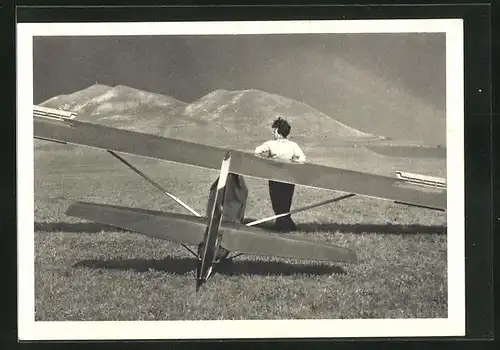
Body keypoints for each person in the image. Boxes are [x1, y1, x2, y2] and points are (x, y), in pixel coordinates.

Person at [254, 117, 306, 232]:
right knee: (286, 202)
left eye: (274, 131)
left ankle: (283, 225)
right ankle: (286, 223)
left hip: (275, 177)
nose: (273, 133)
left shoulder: (270, 144)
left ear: (278, 132)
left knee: (277, 202)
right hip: (289, 177)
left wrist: (267, 160)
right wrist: (292, 162)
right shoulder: (293, 145)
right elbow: (302, 159)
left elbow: (257, 152)